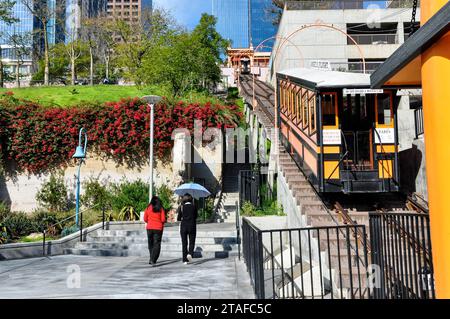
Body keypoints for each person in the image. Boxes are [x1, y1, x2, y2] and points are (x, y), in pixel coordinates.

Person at [144, 196, 166, 266]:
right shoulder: (161, 208)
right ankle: (153, 259)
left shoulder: (148, 208)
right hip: (158, 228)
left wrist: (150, 221)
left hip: (149, 228)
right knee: (157, 244)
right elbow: (163, 220)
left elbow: (145, 219)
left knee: (150, 244)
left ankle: (151, 258)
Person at [177, 193, 198, 264]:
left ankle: (184, 260)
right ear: (191, 199)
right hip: (192, 226)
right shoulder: (194, 206)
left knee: (184, 243)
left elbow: (178, 218)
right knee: (192, 242)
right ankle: (190, 254)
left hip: (184, 226)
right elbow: (196, 216)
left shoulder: (181, 207)